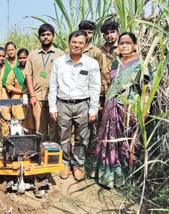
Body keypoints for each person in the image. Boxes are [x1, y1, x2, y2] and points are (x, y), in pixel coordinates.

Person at [96, 32, 152, 188]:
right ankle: (107, 177)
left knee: (127, 142)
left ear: (134, 44)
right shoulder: (116, 62)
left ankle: (124, 178)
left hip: (130, 108)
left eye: (128, 43)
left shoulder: (141, 62)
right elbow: (111, 84)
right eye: (121, 43)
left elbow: (146, 88)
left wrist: (144, 109)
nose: (124, 46)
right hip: (112, 105)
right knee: (109, 141)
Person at [48, 30, 101, 181]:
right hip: (63, 104)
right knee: (63, 135)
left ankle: (77, 164)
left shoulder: (91, 64)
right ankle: (65, 163)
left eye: (80, 43)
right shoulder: (60, 62)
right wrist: (53, 107)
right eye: (74, 42)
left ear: (85, 45)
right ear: (69, 42)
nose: (76, 45)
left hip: (82, 104)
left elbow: (95, 87)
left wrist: (93, 109)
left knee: (82, 137)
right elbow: (53, 86)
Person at [25, 23, 64, 142]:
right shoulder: (32, 55)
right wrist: (32, 95)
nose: (46, 37)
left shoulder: (60, 54)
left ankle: (53, 154)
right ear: (39, 37)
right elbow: (28, 76)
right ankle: (40, 153)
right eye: (43, 35)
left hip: (55, 96)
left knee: (54, 126)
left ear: (53, 36)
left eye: (48, 34)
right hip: (37, 97)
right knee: (39, 127)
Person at [78, 20, 107, 177]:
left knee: (91, 126)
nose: (87, 34)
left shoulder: (96, 52)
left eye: (90, 32)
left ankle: (88, 156)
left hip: (91, 94)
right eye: (84, 31)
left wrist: (99, 98)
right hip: (75, 94)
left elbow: (101, 75)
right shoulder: (73, 47)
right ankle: (74, 158)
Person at [6, 48, 35, 133]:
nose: (22, 60)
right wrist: (21, 91)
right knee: (19, 123)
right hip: (18, 100)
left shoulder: (32, 69)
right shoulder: (14, 70)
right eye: (20, 58)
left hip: (31, 99)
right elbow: (8, 85)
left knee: (30, 123)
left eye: (24, 57)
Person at [99, 20, 120, 96]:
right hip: (101, 92)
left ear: (118, 33)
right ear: (103, 35)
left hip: (118, 92)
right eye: (107, 33)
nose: (109, 35)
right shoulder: (98, 50)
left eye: (112, 32)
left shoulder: (123, 49)